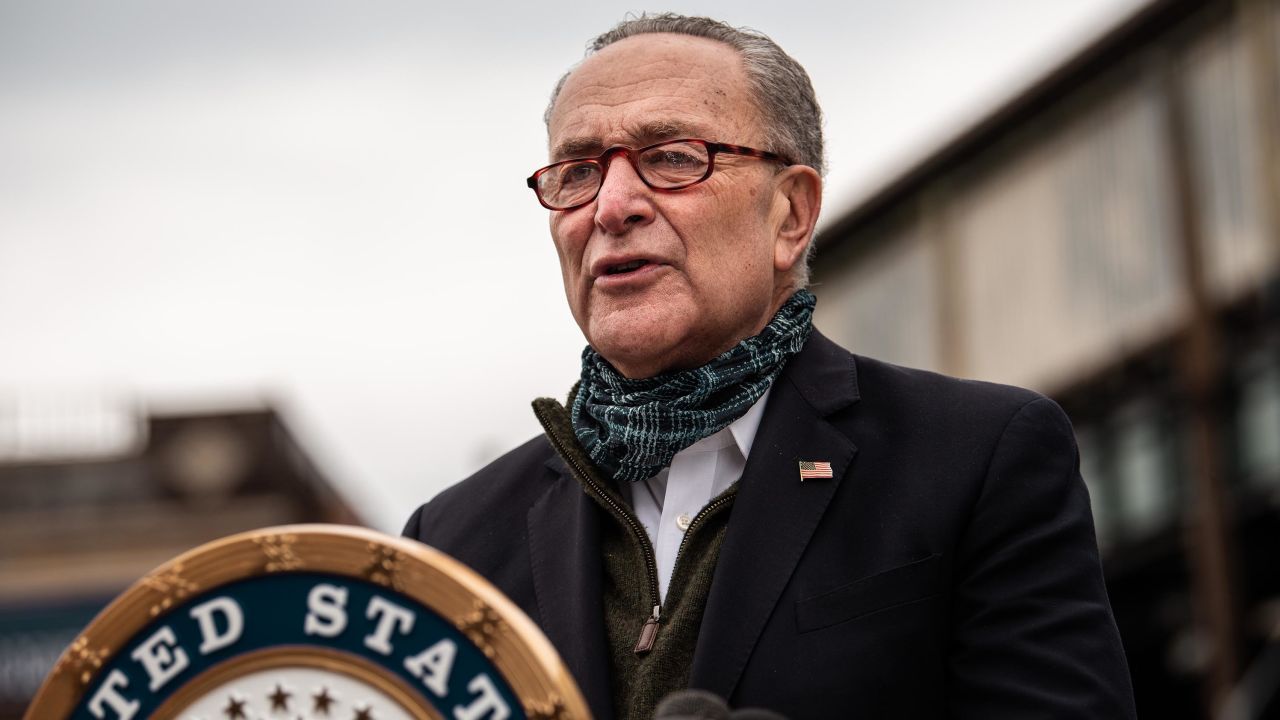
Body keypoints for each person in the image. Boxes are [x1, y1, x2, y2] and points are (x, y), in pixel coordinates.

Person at [404, 14, 1136, 720]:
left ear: (790, 214)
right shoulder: (451, 545)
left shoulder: (977, 461)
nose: (612, 206)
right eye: (577, 171)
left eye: (672, 158)